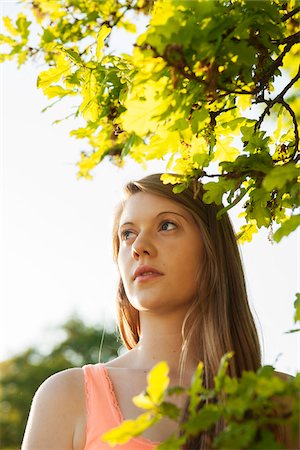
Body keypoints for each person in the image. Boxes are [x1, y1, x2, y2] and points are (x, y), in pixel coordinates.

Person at [22, 173, 295, 450]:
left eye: (166, 225)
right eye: (128, 234)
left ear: (211, 249)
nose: (138, 247)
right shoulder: (67, 397)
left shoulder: (283, 401)